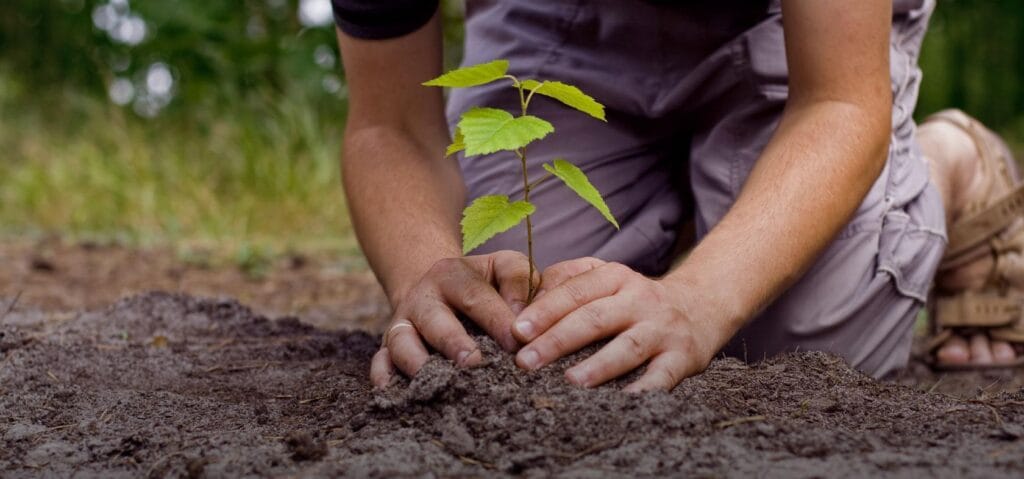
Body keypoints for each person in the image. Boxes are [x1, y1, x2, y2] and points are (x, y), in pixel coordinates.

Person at [332, 0, 1024, 391]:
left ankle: (950, 163)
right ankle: (711, 207)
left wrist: (701, 301)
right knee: (518, 318)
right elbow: (390, 124)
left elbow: (839, 101)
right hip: (559, 17)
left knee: (798, 348)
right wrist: (425, 271)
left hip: (799, 27)